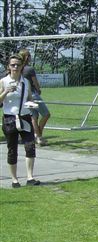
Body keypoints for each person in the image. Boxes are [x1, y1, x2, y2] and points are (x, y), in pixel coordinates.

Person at [0, 54, 39, 188]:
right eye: (13, 65)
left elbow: (29, 99)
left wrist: (32, 105)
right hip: (9, 118)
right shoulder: (3, 81)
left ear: (22, 66)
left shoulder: (25, 81)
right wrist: (5, 92)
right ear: (8, 67)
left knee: (30, 145)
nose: (15, 67)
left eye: (18, 65)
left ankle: (30, 177)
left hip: (25, 117)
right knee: (12, 149)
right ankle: (14, 179)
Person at [19, 49, 50, 146]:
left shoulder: (18, 69)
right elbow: (35, 83)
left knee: (34, 117)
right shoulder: (29, 69)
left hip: (23, 96)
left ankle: (37, 137)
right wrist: (39, 90)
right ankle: (39, 135)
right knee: (46, 114)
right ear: (27, 57)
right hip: (32, 95)